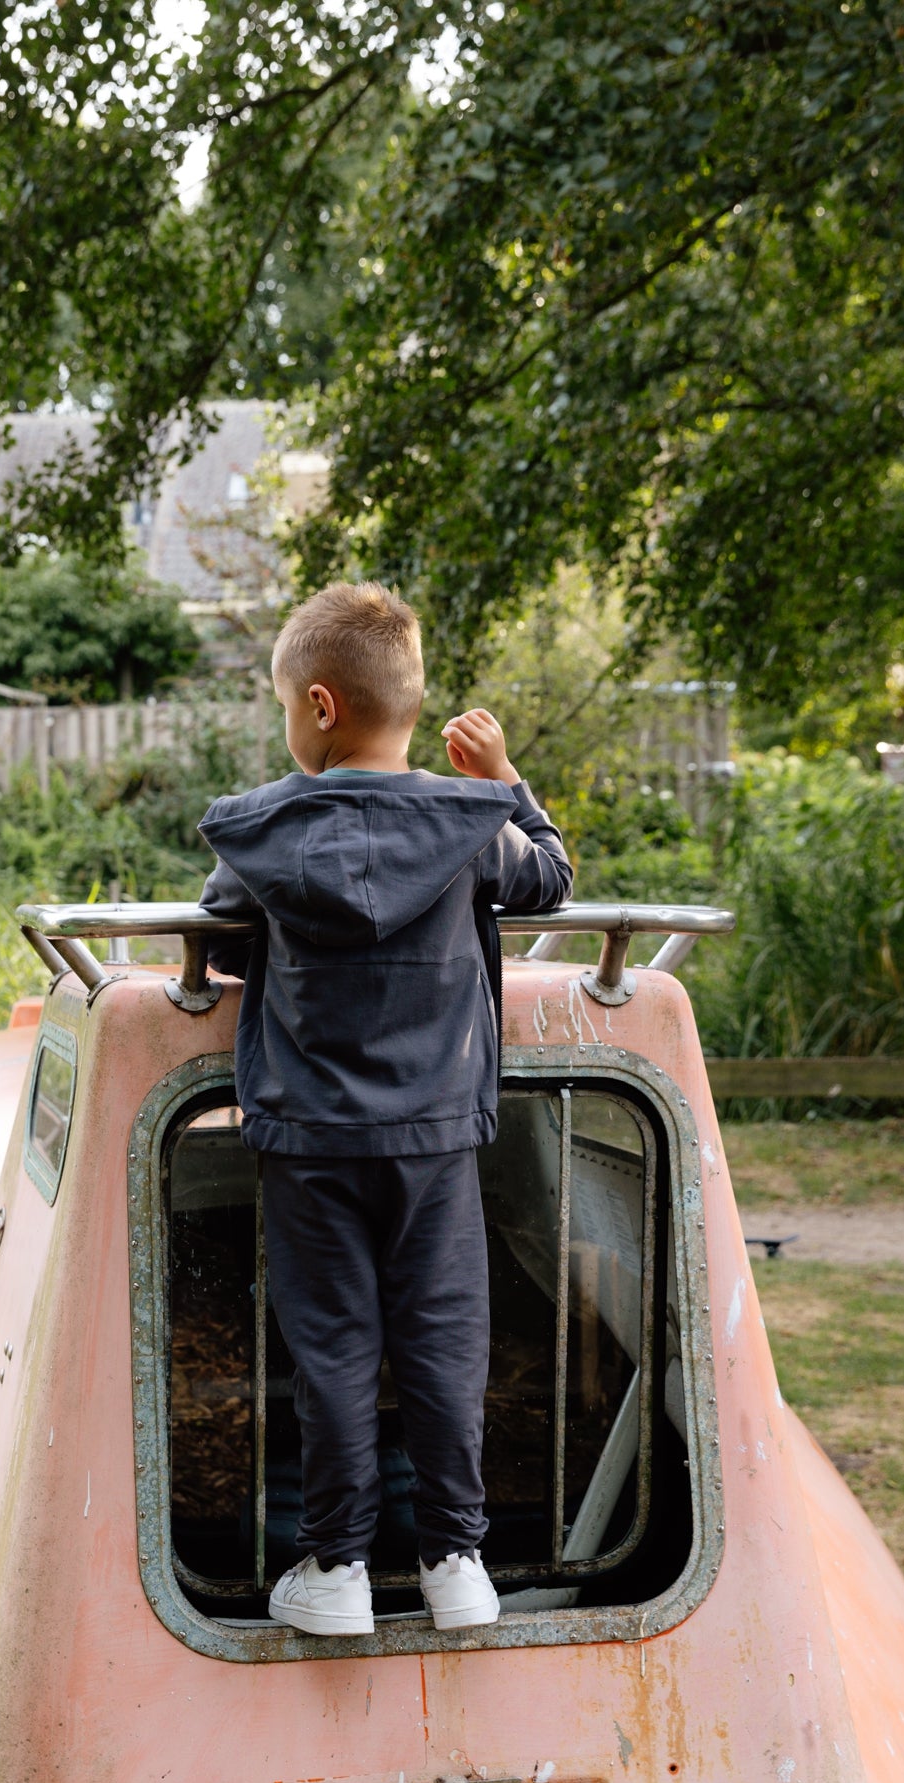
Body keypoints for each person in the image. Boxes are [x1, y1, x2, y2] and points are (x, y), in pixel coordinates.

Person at [198, 581, 573, 1636]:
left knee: (335, 1349)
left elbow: (219, 934)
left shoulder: (266, 836)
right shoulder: (471, 828)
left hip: (309, 1137)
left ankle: (338, 1567)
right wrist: (505, 781)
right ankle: (458, 1558)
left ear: (319, 705)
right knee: (446, 1338)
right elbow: (549, 878)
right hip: (436, 1136)